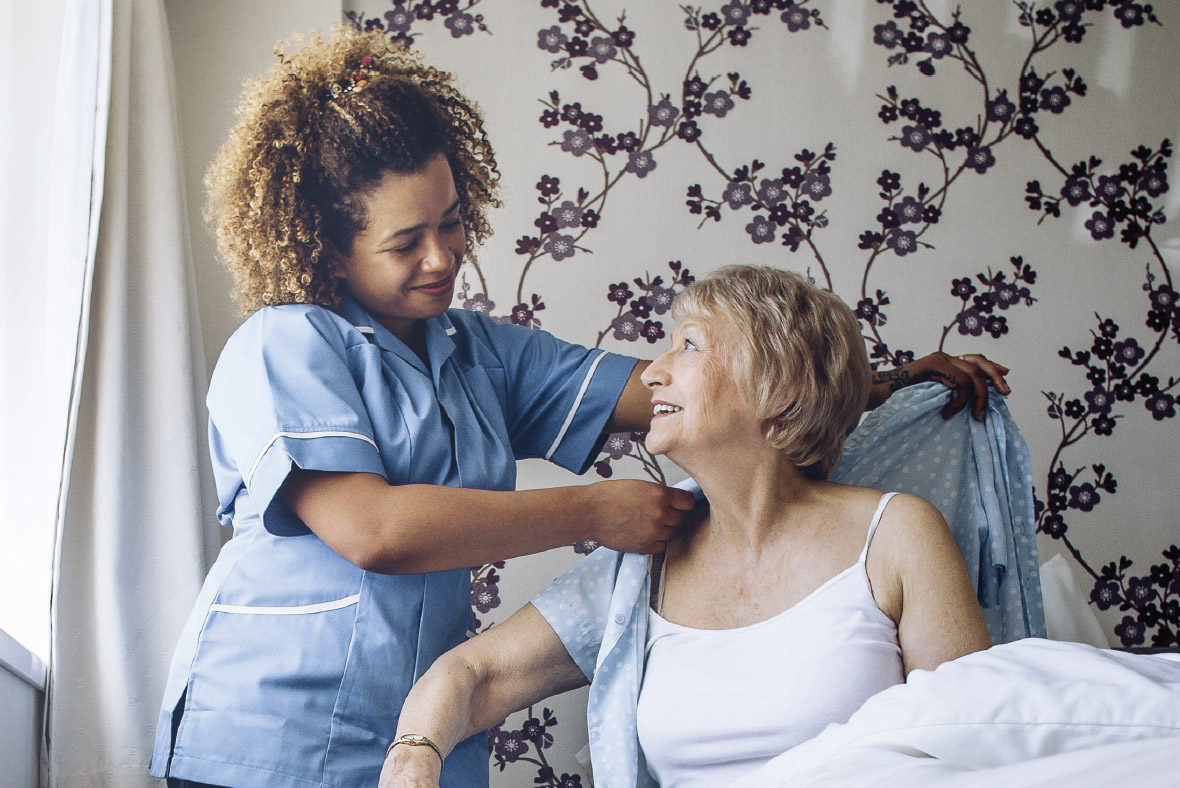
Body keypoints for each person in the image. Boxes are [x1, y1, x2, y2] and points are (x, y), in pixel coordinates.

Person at [149, 26, 1006, 788]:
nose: (443, 257)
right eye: (405, 242)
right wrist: (595, 510)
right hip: (267, 731)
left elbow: (704, 388)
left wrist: (873, 381)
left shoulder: (476, 352)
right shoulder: (284, 344)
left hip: (413, 740)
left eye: (450, 223)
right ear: (328, 249)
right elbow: (374, 531)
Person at [380, 265, 995, 788]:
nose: (651, 373)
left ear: (776, 381)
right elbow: (472, 673)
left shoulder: (897, 535)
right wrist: (416, 752)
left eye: (690, 345)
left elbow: (979, 750)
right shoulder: (641, 567)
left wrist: (897, 379)